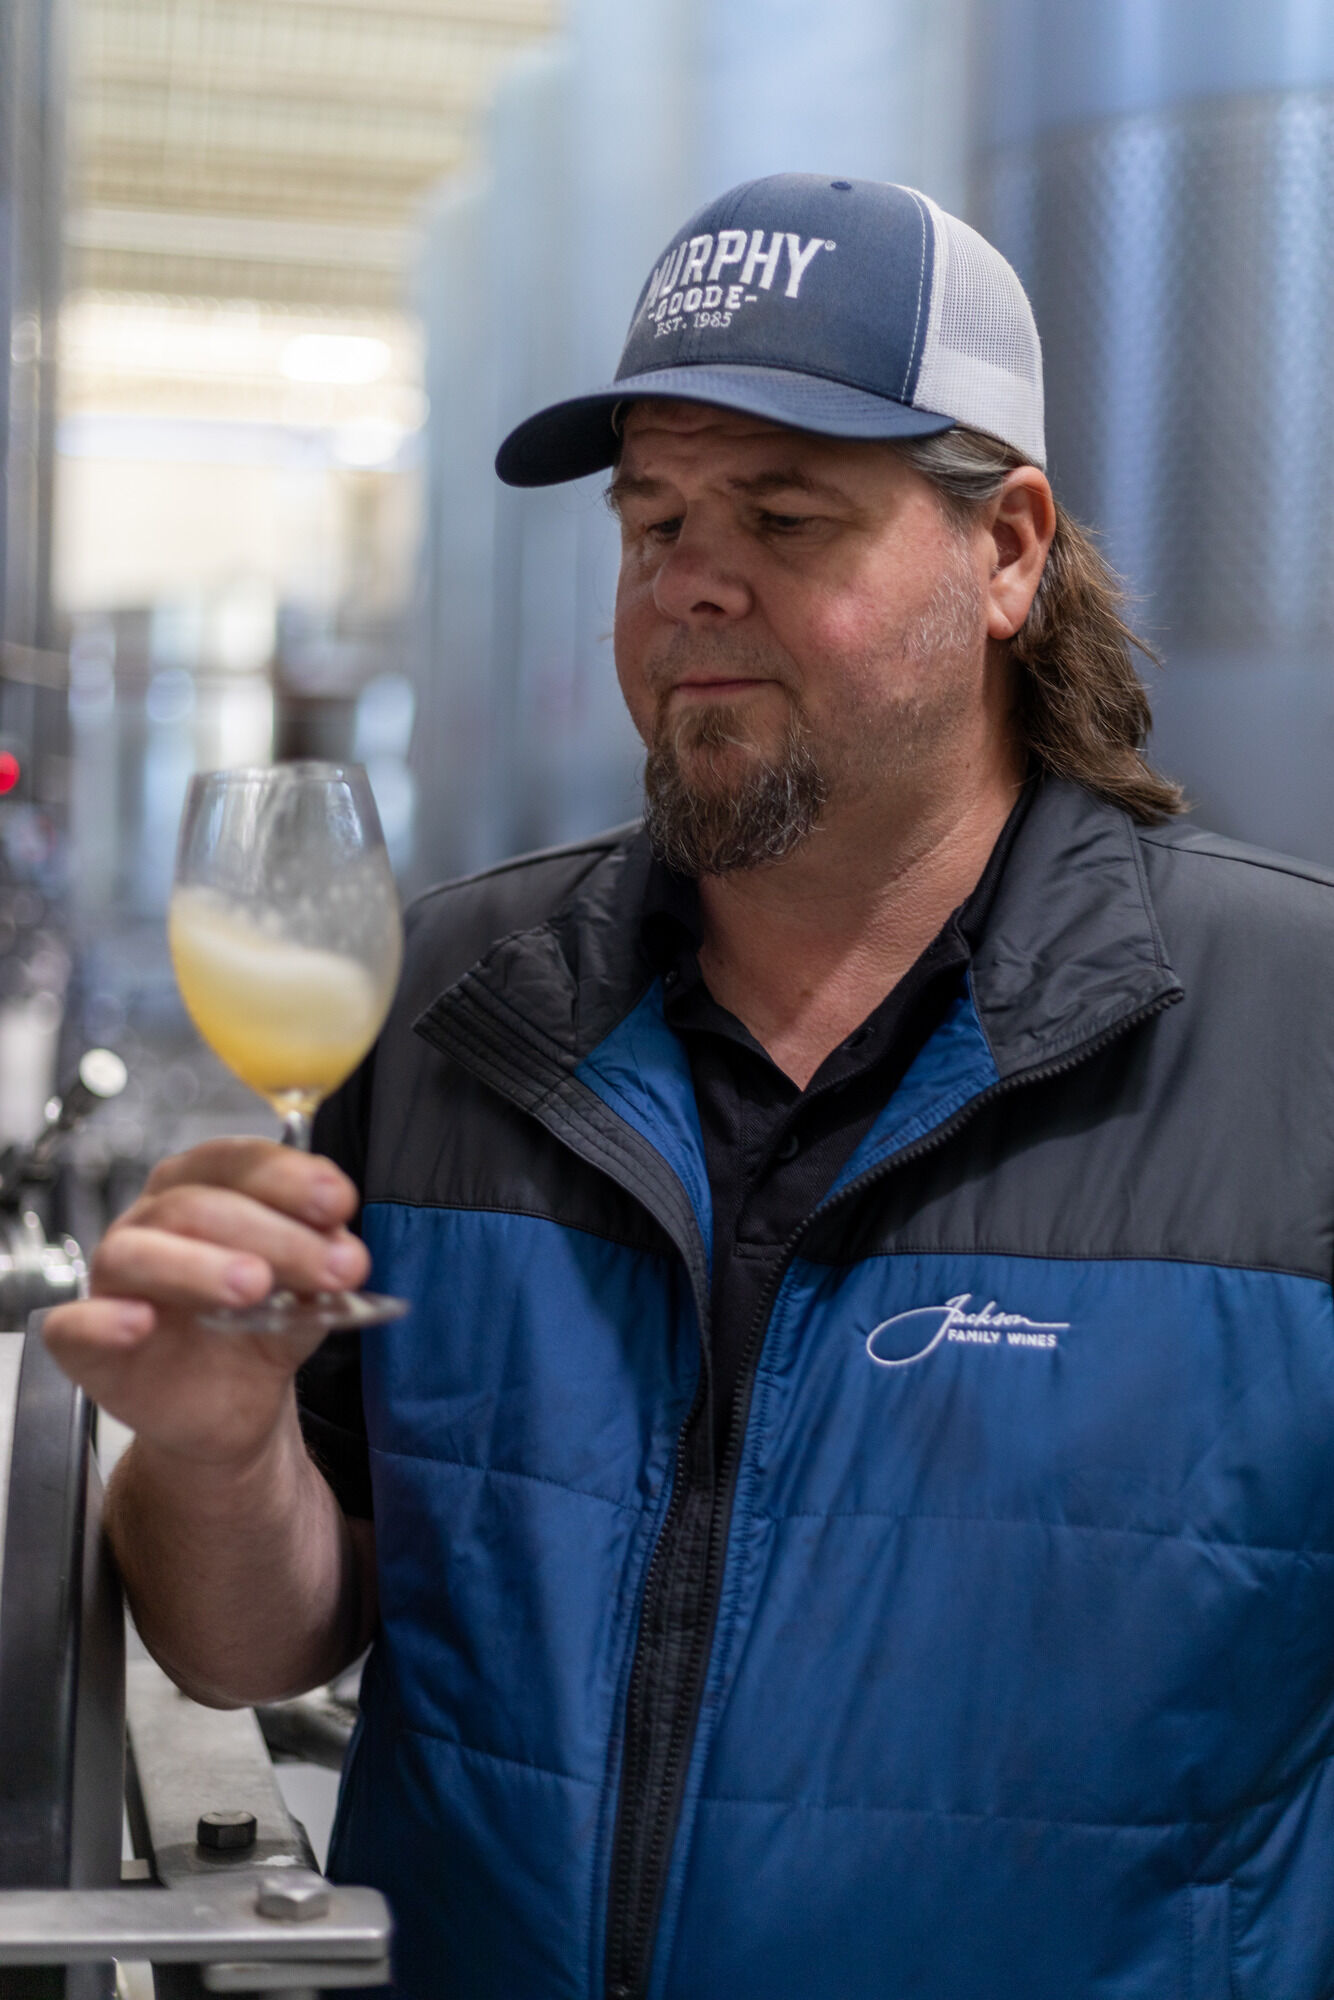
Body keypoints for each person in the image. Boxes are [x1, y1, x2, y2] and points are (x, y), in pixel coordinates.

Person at [42, 174, 1334, 2000]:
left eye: (784, 516)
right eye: (650, 521)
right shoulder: (447, 1014)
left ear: (1009, 551)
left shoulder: (1294, 1045)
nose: (686, 581)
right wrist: (209, 1448)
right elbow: (261, 1647)